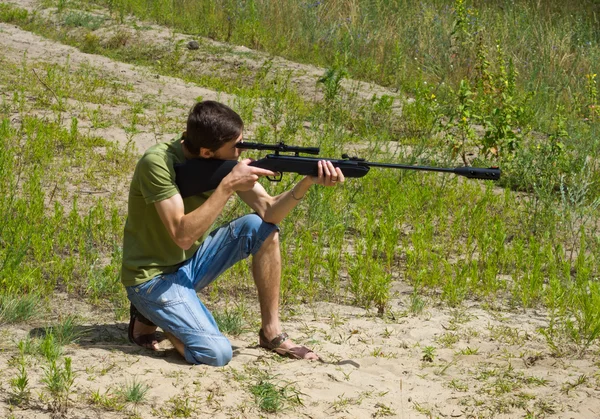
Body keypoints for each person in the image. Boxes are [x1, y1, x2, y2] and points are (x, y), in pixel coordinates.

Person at [121, 100, 344, 366]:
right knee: (216, 354)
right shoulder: (157, 163)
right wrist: (226, 187)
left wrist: (307, 181)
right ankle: (160, 319)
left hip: (188, 265)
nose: (243, 150)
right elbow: (182, 235)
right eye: (235, 146)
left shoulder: (223, 164)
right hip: (151, 278)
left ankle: (271, 332)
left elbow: (270, 211)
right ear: (206, 152)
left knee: (260, 228)